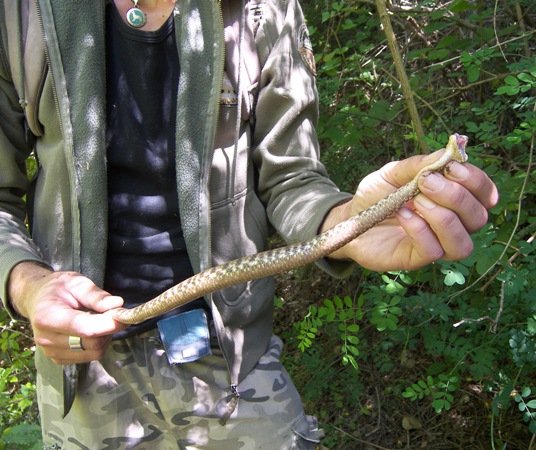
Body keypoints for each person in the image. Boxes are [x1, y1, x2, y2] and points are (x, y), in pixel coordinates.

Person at [0, 0, 498, 448]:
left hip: (229, 349)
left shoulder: (266, 8)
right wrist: (30, 285)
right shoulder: (20, 14)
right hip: (82, 364)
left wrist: (345, 222)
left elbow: (290, 177)